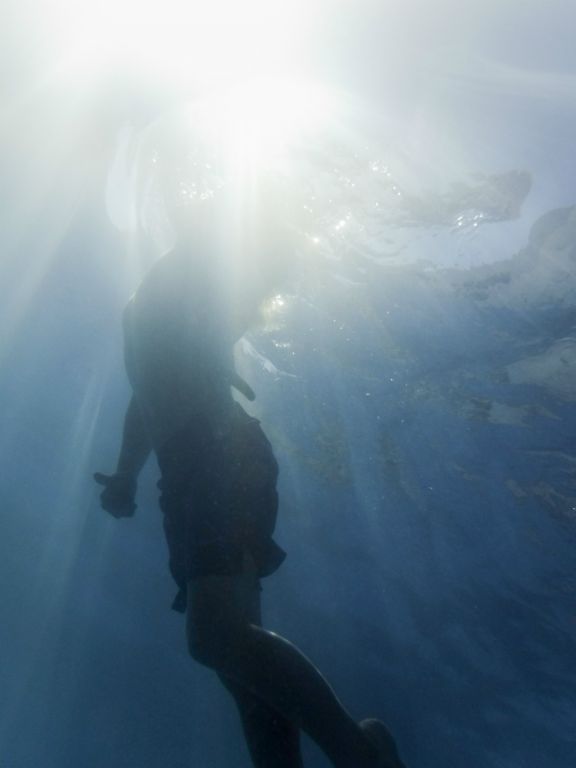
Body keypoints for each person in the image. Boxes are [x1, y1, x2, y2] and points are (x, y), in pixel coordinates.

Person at [95, 163, 406, 768]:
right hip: (188, 472)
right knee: (239, 665)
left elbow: (235, 294)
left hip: (218, 452)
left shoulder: (201, 274)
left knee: (214, 639)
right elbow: (145, 398)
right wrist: (129, 473)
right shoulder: (149, 301)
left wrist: (211, 342)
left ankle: (359, 752)